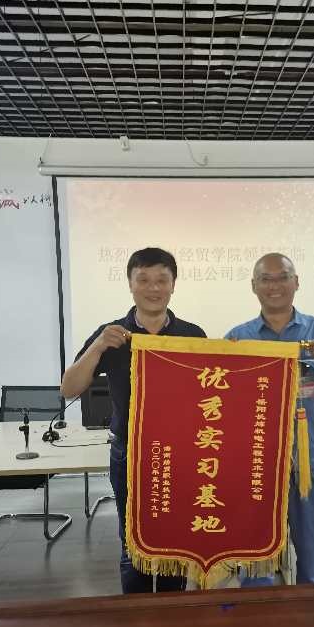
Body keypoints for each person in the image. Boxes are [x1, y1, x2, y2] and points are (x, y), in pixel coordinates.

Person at [61, 247, 206, 594]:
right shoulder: (111, 334)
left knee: (173, 542)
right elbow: (69, 389)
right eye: (144, 280)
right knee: (133, 543)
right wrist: (98, 346)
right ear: (130, 284)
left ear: (173, 284)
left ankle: (171, 612)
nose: (153, 288)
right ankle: (136, 615)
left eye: (161, 280)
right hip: (129, 453)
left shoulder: (192, 335)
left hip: (179, 456)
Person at [226, 252, 314, 586]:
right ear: (253, 286)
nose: (275, 286)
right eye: (266, 279)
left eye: (282, 277)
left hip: (308, 463)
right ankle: (259, 614)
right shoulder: (238, 338)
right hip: (256, 468)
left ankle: (313, 613)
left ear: (296, 282)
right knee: (256, 567)